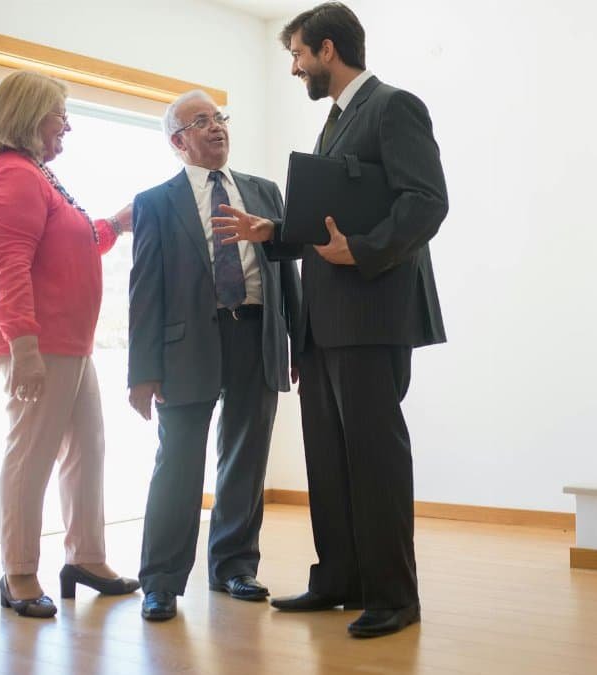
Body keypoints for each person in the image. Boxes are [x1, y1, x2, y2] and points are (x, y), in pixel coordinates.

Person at [212, 2, 448, 638]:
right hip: (322, 322)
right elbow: (329, 217)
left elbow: (427, 202)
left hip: (370, 315)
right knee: (326, 456)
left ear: (325, 49)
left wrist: (363, 249)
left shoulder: (394, 107)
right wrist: (276, 232)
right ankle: (340, 579)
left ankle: (395, 597)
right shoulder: (336, 122)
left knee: (375, 456)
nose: (293, 69)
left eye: (296, 55)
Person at [127, 90, 302, 622]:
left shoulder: (264, 192)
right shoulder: (156, 202)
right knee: (178, 464)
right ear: (178, 142)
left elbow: (285, 272)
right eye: (201, 122)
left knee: (245, 462)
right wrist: (142, 372)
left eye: (219, 118)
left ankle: (234, 568)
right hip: (187, 346)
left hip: (256, 334)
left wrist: (297, 340)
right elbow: (145, 291)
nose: (216, 128)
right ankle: (160, 581)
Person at [0, 70, 139, 618]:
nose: (67, 124)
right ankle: (18, 572)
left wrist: (116, 223)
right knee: (32, 456)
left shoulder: (38, 176)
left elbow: (77, 242)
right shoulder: (12, 178)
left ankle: (86, 557)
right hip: (39, 344)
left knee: (87, 450)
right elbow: (10, 271)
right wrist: (24, 349)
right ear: (28, 116)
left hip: (71, 343)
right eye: (59, 113)